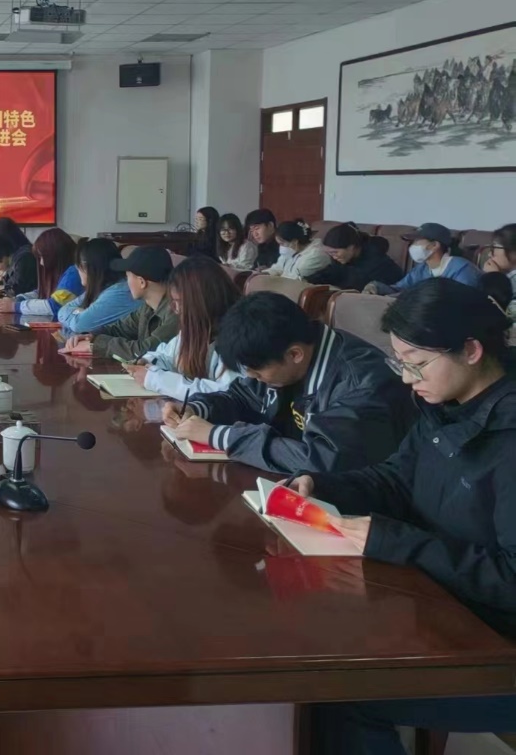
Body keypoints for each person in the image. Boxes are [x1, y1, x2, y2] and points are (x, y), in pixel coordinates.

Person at [299, 280, 516, 754]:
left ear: (471, 350)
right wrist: (324, 485)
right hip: (445, 606)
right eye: (399, 362)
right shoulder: (447, 405)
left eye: (415, 363)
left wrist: (395, 541)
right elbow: (398, 479)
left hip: (499, 643)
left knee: (341, 695)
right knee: (314, 644)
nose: (405, 378)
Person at [163, 291, 413, 473]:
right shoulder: (280, 352)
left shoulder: (363, 383)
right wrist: (197, 408)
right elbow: (241, 397)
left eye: (257, 372)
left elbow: (321, 460)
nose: (254, 379)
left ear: (295, 354)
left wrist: (220, 436)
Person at [126, 257, 240, 401]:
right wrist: (148, 362)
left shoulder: (237, 337)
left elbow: (227, 394)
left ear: (200, 301)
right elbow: (168, 355)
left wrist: (156, 380)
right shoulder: (198, 328)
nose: (175, 309)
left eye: (178, 302)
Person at [65, 246, 179, 359]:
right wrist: (90, 336)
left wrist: (97, 344)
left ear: (142, 282)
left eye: (127, 276)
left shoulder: (177, 312)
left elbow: (145, 351)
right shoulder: (147, 307)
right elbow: (118, 329)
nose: (126, 283)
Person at [365, 223, 482, 295]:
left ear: (434, 245)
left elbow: (464, 300)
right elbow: (400, 289)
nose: (412, 246)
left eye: (417, 241)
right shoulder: (421, 269)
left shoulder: (461, 269)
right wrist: (377, 288)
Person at [59, 238, 139, 336]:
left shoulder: (120, 292)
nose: (77, 269)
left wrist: (80, 314)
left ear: (88, 266)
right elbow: (63, 310)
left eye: (78, 265)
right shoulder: (103, 287)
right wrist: (78, 312)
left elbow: (79, 325)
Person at [4, 228, 80, 318]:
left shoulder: (74, 273)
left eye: (42, 257)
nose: (41, 263)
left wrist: (15, 307)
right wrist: (18, 299)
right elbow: (42, 291)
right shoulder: (65, 272)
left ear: (54, 255)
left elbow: (55, 306)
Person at [308, 222, 404, 291]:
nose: (333, 256)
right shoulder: (344, 259)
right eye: (330, 253)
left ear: (351, 247)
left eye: (335, 252)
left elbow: (356, 286)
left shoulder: (377, 262)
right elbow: (331, 272)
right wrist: (308, 281)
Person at [265, 220, 330, 280]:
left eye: (282, 243)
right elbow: (278, 268)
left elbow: (294, 279)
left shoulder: (315, 255)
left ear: (295, 242)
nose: (281, 247)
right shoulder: (292, 250)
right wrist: (264, 274)